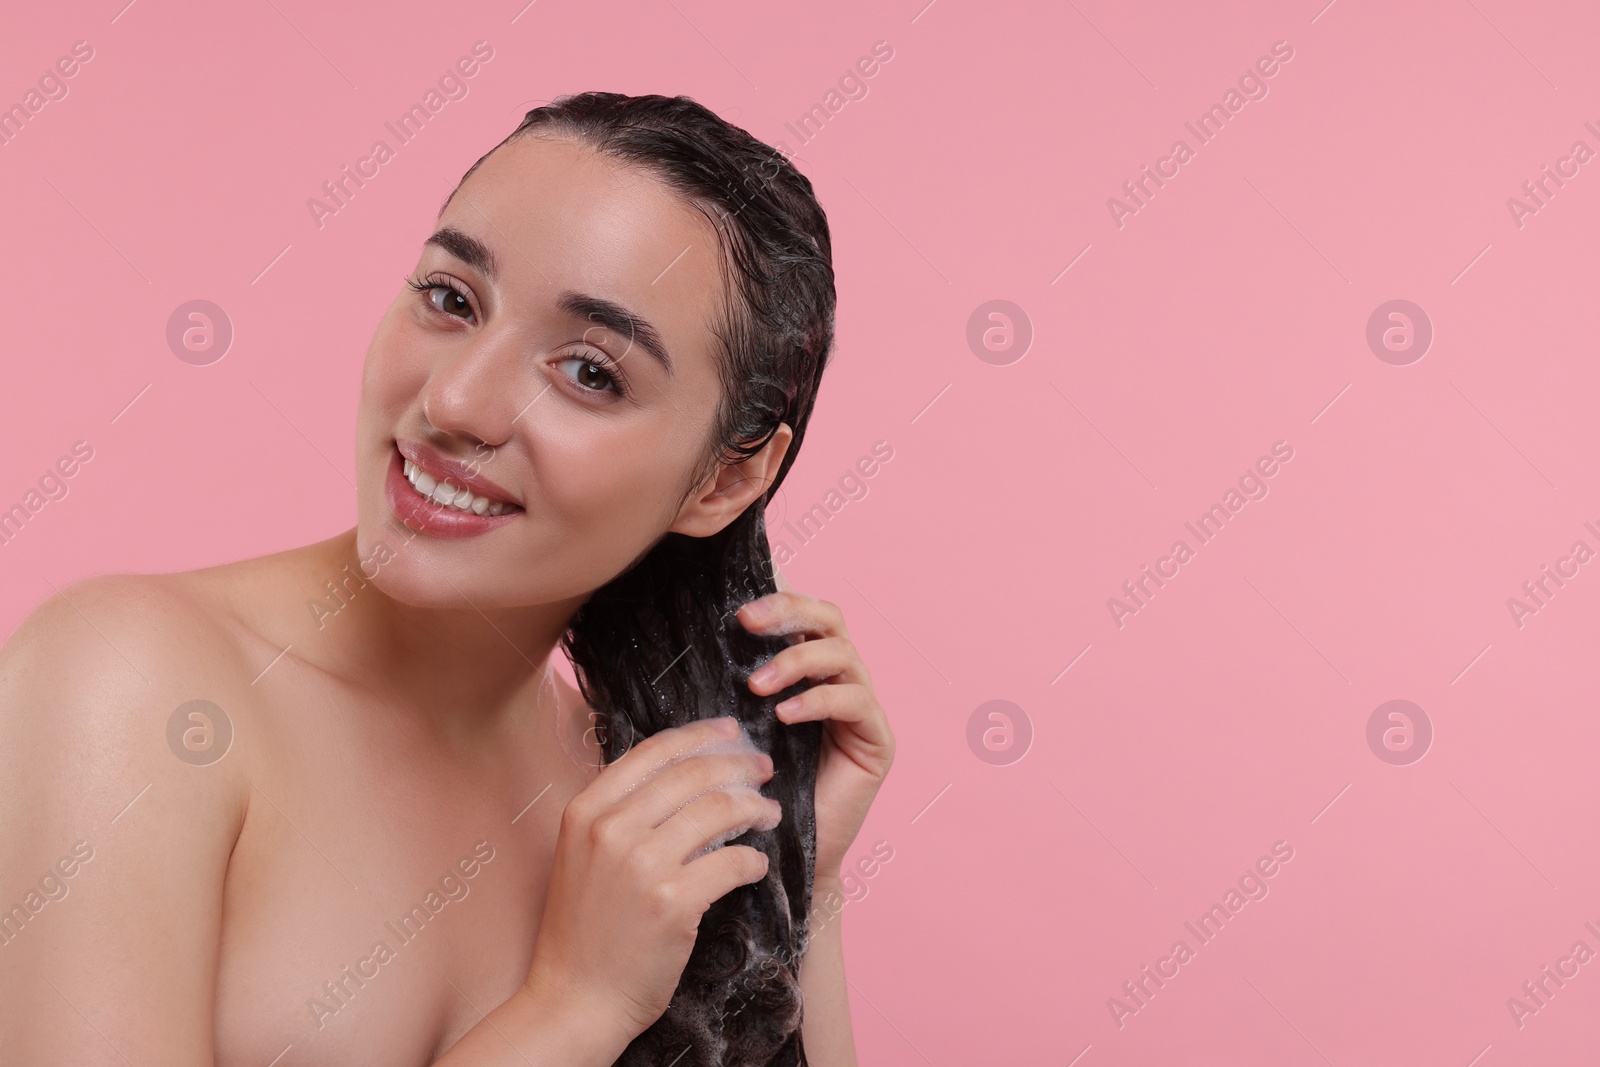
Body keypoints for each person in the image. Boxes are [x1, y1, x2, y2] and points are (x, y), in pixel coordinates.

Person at [0, 92, 895, 1066]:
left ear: (727, 476)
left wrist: (802, 876)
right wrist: (572, 1005)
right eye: (452, 298)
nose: (454, 399)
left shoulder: (627, 803)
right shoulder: (133, 683)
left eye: (590, 371)